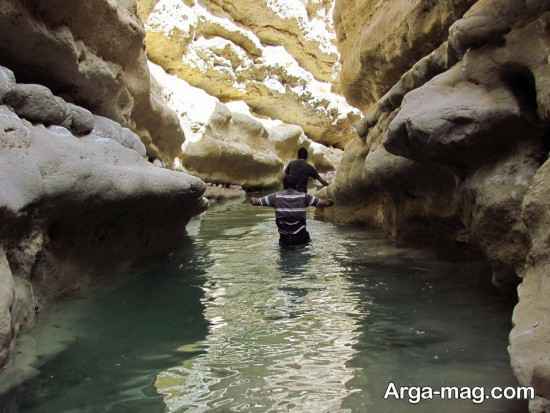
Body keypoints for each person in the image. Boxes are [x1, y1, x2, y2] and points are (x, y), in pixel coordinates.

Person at [250, 175, 333, 246]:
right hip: (302, 239)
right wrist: (331, 201)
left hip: (285, 240)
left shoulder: (275, 197)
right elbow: (324, 203)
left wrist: (252, 198)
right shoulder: (304, 197)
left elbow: (255, 202)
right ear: (296, 185)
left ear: (283, 185)